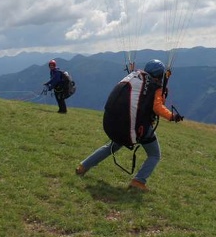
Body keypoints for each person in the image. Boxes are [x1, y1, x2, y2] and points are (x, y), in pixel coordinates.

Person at [75, 59, 183, 191]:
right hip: (138, 127)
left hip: (122, 123)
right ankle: (138, 181)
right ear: (159, 75)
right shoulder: (155, 88)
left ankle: (83, 166)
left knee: (111, 146)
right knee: (154, 154)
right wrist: (172, 116)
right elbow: (157, 107)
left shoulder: (135, 77)